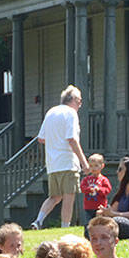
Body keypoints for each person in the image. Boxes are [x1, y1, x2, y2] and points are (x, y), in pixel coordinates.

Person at [30, 86, 88, 230]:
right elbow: (72, 139)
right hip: (68, 162)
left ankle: (38, 221)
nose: (80, 104)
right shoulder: (71, 114)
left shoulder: (51, 112)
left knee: (54, 197)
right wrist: (84, 163)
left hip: (52, 163)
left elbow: (41, 138)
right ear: (73, 100)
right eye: (79, 101)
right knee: (69, 197)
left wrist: (55, 139)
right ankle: (65, 227)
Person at [79, 154, 112, 222]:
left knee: (99, 222)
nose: (93, 168)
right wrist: (89, 189)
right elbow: (82, 188)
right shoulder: (86, 179)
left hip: (100, 206)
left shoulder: (103, 179)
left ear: (102, 166)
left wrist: (99, 189)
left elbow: (107, 190)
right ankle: (88, 232)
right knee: (88, 222)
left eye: (96, 166)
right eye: (91, 166)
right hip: (88, 206)